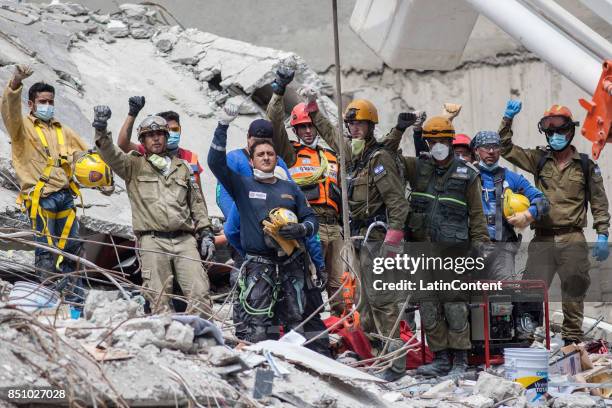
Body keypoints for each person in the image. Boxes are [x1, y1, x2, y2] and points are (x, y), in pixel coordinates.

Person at [208, 106, 324, 347]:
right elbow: (215, 163)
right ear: (251, 160)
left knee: (294, 320)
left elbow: (311, 219)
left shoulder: (289, 189)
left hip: (291, 267)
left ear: (276, 157)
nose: (266, 158)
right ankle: (261, 374)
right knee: (259, 325)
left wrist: (302, 230)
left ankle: (295, 376)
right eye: (260, 155)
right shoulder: (242, 185)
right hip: (259, 268)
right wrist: (222, 126)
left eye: (270, 153)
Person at [316, 97, 412, 381]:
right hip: (357, 239)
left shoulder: (378, 159)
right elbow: (331, 135)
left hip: (377, 239)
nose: (354, 129)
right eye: (351, 124)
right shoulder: (352, 159)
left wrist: (392, 241)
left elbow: (398, 203)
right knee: (363, 303)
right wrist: (313, 111)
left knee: (383, 301)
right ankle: (376, 354)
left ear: (371, 127)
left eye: (359, 124)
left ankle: (395, 363)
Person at [499, 100, 610, 344]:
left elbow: (599, 202)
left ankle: (571, 339)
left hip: (572, 237)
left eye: (561, 130)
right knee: (530, 290)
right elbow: (505, 148)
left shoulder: (585, 165)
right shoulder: (538, 159)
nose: (556, 136)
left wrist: (603, 233)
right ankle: (525, 337)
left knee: (575, 288)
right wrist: (507, 119)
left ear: (570, 131)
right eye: (551, 131)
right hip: (543, 238)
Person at [93, 107, 216, 316]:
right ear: (143, 140)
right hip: (152, 241)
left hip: (185, 240)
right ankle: (165, 340)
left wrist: (206, 233)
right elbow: (108, 152)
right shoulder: (133, 165)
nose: (156, 139)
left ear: (166, 137)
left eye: (159, 134)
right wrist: (101, 127)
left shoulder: (183, 167)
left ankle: (202, 340)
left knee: (200, 293)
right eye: (150, 136)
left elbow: (197, 203)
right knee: (158, 298)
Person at [399, 116, 490, 378]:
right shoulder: (418, 169)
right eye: (432, 140)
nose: (437, 145)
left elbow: (476, 214)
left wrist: (482, 246)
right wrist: (402, 129)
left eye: (442, 140)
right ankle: (440, 358)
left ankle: (460, 360)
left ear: (451, 141)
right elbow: (388, 156)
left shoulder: (467, 174)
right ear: (426, 142)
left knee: (454, 305)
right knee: (428, 305)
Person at [1, 64, 90, 306]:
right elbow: (8, 111)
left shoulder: (63, 130)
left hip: (64, 197)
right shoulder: (22, 128)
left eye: (50, 101)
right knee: (46, 253)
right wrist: (15, 83)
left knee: (71, 250)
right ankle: (47, 300)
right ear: (31, 104)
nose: (47, 106)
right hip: (41, 198)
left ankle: (74, 303)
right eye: (42, 101)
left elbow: (85, 159)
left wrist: (101, 178)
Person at [266, 67, 344, 315]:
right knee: (310, 282)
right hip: (308, 227)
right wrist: (278, 92)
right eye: (302, 127)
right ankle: (312, 329)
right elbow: (274, 122)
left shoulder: (332, 156)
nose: (308, 131)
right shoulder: (291, 154)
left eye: (311, 126)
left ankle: (341, 331)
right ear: (296, 130)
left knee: (339, 285)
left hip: (336, 228)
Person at [471, 130, 549, 280]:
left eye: (495, 146)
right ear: (476, 150)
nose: (491, 151)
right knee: (474, 298)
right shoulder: (468, 175)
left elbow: (542, 201)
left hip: (503, 248)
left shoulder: (512, 178)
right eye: (486, 146)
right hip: (472, 248)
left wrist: (528, 215)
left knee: (504, 297)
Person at [117, 96, 204, 189]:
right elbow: (123, 144)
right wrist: (132, 114)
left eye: (175, 129)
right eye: (167, 130)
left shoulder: (191, 157)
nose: (172, 133)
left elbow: (198, 193)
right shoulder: (146, 151)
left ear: (180, 129)